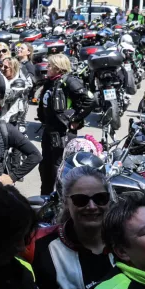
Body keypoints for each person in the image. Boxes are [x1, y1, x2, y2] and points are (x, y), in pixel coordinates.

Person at [30, 166, 114, 289]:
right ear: (67, 202)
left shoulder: (126, 239)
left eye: (100, 198)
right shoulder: (39, 244)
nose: (92, 207)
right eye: (81, 200)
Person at [37, 54, 94, 195]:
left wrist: (75, 119)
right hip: (49, 130)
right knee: (45, 167)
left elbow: (90, 100)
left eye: (50, 65)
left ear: (58, 68)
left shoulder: (70, 81)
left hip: (62, 133)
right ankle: (45, 199)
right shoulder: (50, 82)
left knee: (59, 168)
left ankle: (62, 201)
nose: (47, 68)